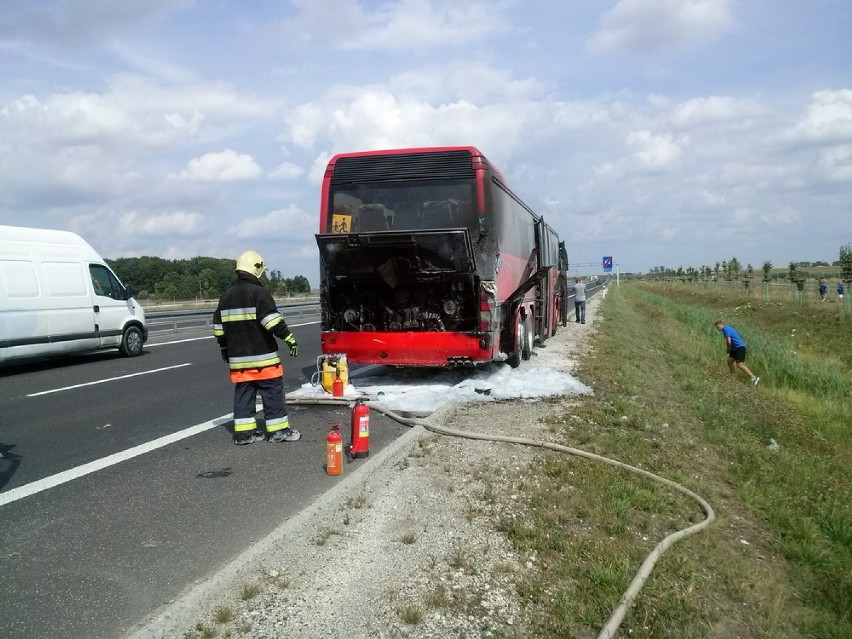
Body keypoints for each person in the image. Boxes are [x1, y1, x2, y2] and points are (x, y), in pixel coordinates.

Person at [213, 250, 301, 445]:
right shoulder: (259, 293)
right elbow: (272, 321)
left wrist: (225, 350)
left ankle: (244, 435)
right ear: (257, 269)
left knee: (244, 395)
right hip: (264, 359)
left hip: (238, 361)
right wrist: (289, 339)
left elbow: (219, 329)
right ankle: (278, 432)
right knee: (272, 394)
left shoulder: (225, 296)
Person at [714, 320, 759, 385]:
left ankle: (754, 378)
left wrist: (728, 348)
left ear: (721, 324)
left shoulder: (726, 329)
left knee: (740, 365)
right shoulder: (727, 329)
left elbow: (728, 341)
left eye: (718, 327)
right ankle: (733, 378)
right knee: (729, 361)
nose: (718, 329)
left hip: (740, 348)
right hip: (735, 348)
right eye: (717, 328)